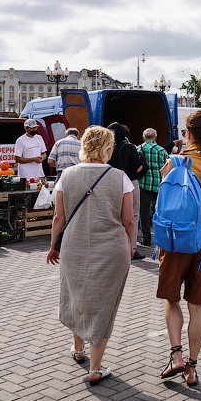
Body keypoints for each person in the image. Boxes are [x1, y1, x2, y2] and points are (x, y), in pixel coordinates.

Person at [46, 126, 134, 387]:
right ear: (107, 148)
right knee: (104, 304)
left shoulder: (66, 176)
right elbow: (128, 219)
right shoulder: (120, 178)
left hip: (74, 245)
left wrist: (53, 246)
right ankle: (95, 368)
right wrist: (130, 246)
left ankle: (79, 349)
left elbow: (58, 217)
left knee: (78, 295)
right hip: (113, 249)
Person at [157, 110, 201, 388]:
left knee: (171, 299)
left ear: (188, 133)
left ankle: (176, 355)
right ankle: (192, 369)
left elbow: (163, 200)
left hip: (176, 240)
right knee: (197, 306)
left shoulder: (175, 161)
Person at [108, 122, 143, 257]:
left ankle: (116, 246)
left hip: (112, 183)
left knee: (115, 215)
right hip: (130, 183)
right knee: (133, 216)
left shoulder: (108, 149)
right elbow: (138, 167)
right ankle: (131, 248)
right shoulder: (130, 148)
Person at [137, 128, 169, 247]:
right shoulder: (162, 150)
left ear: (143, 137)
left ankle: (146, 239)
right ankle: (161, 238)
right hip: (159, 184)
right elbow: (167, 168)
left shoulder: (138, 149)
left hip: (143, 184)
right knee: (160, 210)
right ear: (155, 138)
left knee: (144, 212)